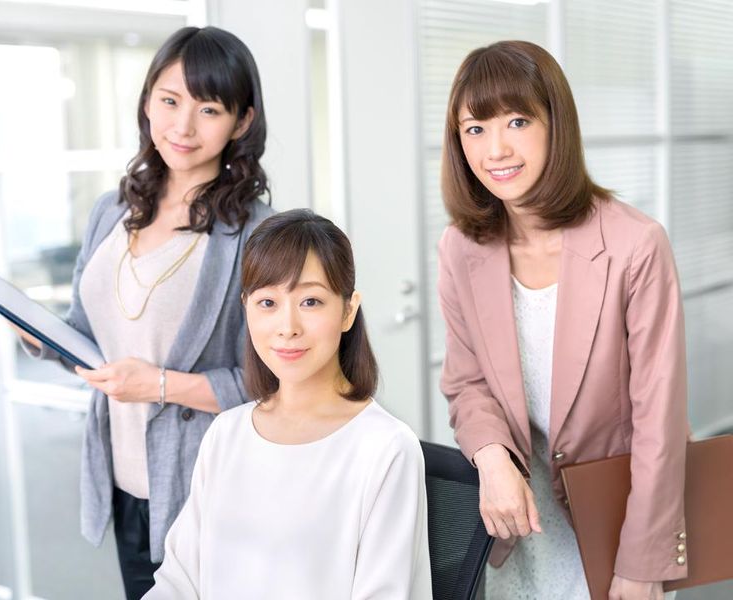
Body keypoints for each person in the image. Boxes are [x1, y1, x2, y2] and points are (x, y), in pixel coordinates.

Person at [0, 25, 273, 600]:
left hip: (209, 487)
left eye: (209, 109)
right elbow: (79, 342)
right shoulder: (112, 211)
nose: (183, 127)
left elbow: (273, 383)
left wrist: (160, 385)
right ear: (147, 103)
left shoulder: (258, 233)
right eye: (169, 101)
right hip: (124, 476)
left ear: (242, 122)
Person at [437, 41, 688, 600]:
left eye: (518, 121)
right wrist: (491, 457)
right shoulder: (460, 247)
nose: (496, 149)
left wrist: (643, 562)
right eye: (475, 129)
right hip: (515, 523)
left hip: (619, 523)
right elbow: (467, 381)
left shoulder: (635, 245)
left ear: (557, 124)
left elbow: (660, 422)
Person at [143, 209, 433, 600]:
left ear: (348, 310)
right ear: (246, 307)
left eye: (311, 301)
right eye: (267, 302)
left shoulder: (386, 448)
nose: (287, 327)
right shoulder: (226, 433)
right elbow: (179, 582)